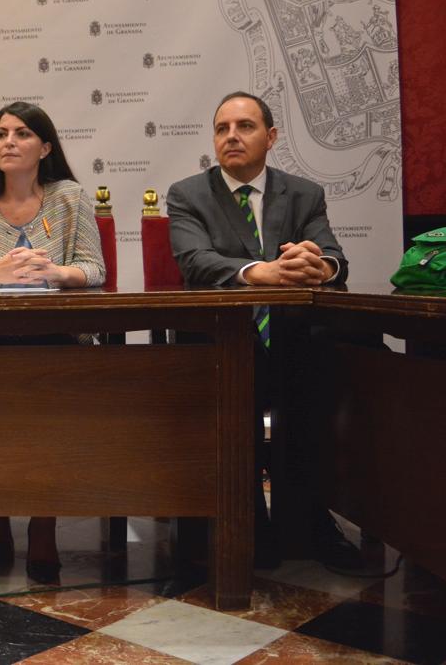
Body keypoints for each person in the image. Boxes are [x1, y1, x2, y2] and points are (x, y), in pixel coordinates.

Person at [167, 90, 356, 568]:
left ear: (270, 137)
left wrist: (317, 266)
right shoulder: (188, 194)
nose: (231, 136)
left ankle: (311, 522)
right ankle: (244, 524)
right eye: (222, 128)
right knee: (236, 391)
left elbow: (334, 256)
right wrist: (259, 271)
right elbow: (195, 262)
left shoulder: (304, 194)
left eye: (245, 126)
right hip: (222, 347)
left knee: (323, 388)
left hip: (290, 344)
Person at [0, 101, 106, 582]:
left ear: (45, 147)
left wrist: (56, 271)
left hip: (56, 338)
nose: (9, 141)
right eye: (1, 133)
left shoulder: (70, 198)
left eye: (23, 133)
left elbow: (95, 270)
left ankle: (43, 520)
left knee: (50, 397)